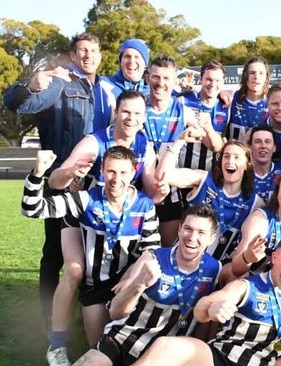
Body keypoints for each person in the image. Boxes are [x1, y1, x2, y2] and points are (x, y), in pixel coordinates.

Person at [2, 32, 113, 351]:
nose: (88, 55)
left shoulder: (106, 88)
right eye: (82, 51)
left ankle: (82, 312)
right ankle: (48, 317)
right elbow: (17, 102)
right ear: (73, 55)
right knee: (54, 252)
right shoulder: (60, 82)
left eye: (93, 50)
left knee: (92, 253)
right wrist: (32, 82)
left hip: (97, 186)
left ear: (100, 54)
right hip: (61, 182)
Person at [36, 90, 163, 366]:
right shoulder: (95, 142)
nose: (131, 118)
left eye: (137, 113)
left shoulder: (145, 146)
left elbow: (151, 187)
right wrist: (70, 173)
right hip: (84, 211)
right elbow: (56, 182)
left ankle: (101, 319)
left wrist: (162, 185)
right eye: (126, 111)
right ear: (116, 112)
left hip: (116, 218)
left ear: (144, 117)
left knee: (123, 272)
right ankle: (56, 345)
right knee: (75, 270)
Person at [131, 232, 281, 366]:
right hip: (220, 358)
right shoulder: (247, 286)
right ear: (274, 258)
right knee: (165, 346)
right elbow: (203, 307)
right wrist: (212, 309)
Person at [72, 204, 223, 366]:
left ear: (212, 238)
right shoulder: (152, 258)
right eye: (188, 229)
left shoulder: (215, 270)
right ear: (179, 230)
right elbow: (115, 312)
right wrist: (139, 284)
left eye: (201, 232)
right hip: (123, 338)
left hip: (163, 354)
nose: (192, 237)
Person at [156, 137, 265, 262]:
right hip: (180, 261)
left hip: (216, 272)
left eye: (236, 157)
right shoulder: (203, 180)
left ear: (247, 165)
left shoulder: (255, 202)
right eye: (226, 156)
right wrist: (179, 141)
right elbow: (162, 175)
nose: (230, 161)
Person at [143, 55, 206, 246]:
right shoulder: (137, 107)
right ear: (147, 78)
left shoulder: (183, 111)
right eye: (156, 77)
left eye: (166, 78)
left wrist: (197, 130)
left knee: (168, 252)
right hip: (140, 191)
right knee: (137, 256)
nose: (160, 83)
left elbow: (203, 134)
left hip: (171, 193)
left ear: (174, 81)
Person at [231, 169, 281, 279]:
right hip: (250, 280)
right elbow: (235, 269)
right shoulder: (260, 220)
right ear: (277, 194)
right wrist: (247, 257)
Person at [176, 60, 230, 172]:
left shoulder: (226, 106)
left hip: (212, 176)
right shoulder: (183, 101)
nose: (213, 84)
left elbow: (220, 145)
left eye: (217, 80)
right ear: (200, 79)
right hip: (183, 173)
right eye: (209, 79)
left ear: (223, 81)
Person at [228, 56, 270, 141]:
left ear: (266, 77)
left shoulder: (272, 102)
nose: (256, 77)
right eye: (252, 72)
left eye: (261, 73)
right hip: (237, 152)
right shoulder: (232, 99)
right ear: (245, 75)